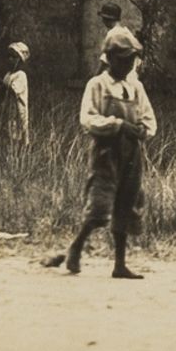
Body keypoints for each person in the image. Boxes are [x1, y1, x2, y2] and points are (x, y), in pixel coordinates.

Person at [45, 39, 156, 279]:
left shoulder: (135, 87)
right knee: (100, 202)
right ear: (110, 57)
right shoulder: (97, 85)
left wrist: (141, 130)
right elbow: (88, 119)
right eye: (122, 59)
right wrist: (117, 125)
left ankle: (119, 264)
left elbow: (148, 118)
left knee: (127, 202)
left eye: (130, 59)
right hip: (106, 151)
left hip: (132, 152)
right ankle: (76, 246)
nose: (127, 64)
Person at [95, 1, 144, 75]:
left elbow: (104, 61)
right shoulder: (125, 31)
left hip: (125, 74)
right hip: (132, 72)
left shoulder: (113, 34)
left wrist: (95, 77)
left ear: (106, 19)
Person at [1, 41, 31, 142]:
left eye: (14, 57)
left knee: (17, 135)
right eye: (9, 57)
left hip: (17, 111)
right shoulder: (8, 74)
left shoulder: (21, 75)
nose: (10, 60)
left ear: (20, 60)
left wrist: (2, 86)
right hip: (8, 110)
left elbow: (13, 90)